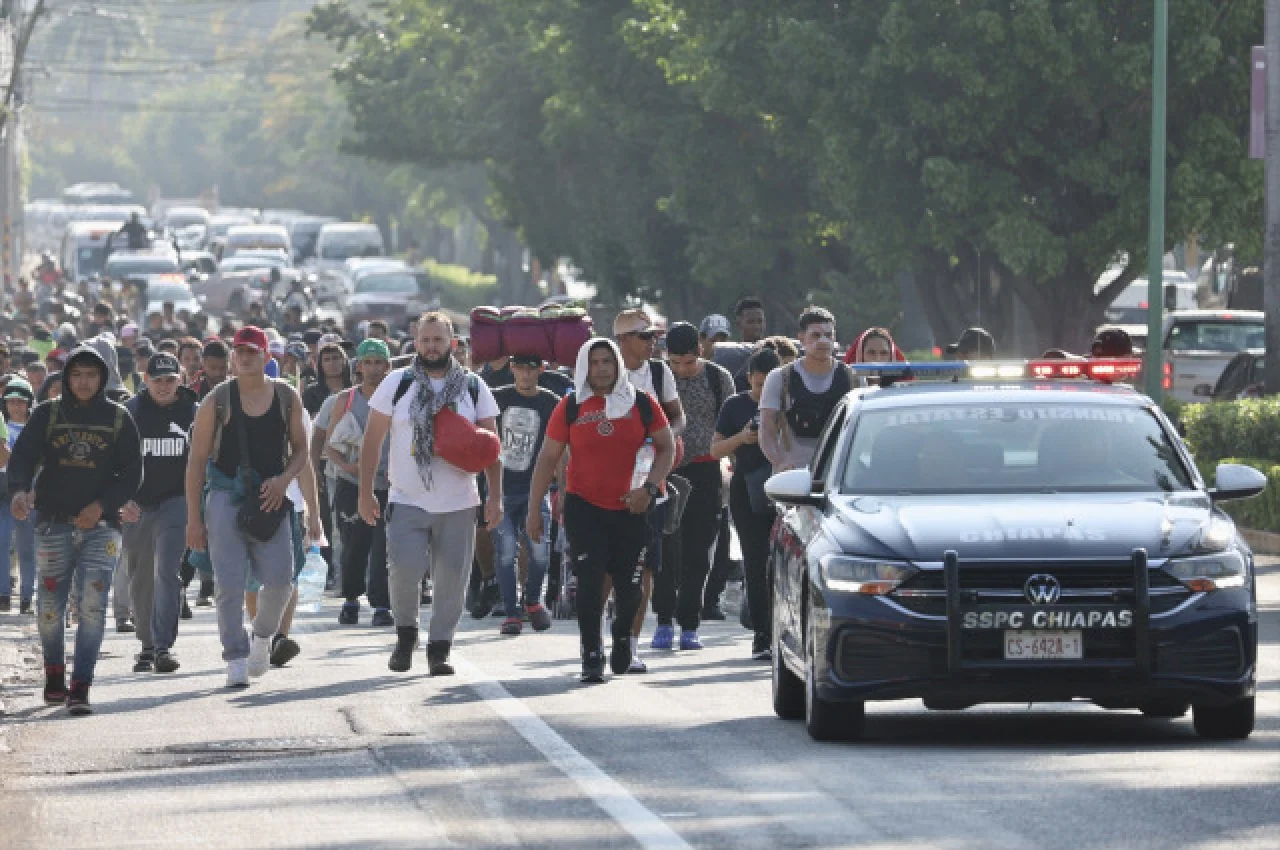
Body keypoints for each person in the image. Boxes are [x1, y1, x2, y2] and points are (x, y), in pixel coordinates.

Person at [359, 312, 502, 675]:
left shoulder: (472, 387)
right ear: (415, 342)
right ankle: (406, 635)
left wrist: (495, 496)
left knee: (452, 578)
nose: (432, 347)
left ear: (452, 343)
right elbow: (373, 441)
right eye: (426, 340)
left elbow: (492, 446)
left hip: (459, 501)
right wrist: (365, 492)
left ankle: (440, 648)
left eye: (439, 340)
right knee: (404, 571)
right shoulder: (397, 383)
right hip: (406, 497)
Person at [525, 338, 676, 682]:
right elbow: (547, 459)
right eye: (595, 362)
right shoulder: (571, 406)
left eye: (608, 361)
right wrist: (534, 512)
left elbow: (667, 447)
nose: (602, 368)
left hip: (633, 509)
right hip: (585, 508)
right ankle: (591, 651)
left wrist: (650, 489)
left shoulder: (641, 403)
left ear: (618, 365)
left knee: (630, 586)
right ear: (584, 367)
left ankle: (622, 636)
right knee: (590, 584)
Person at [9, 344, 143, 716]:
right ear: (66, 378)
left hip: (103, 530)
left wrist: (102, 506)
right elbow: (21, 459)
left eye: (91, 375)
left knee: (93, 607)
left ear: (102, 378)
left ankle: (81, 685)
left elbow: (133, 474)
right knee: (50, 608)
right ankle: (54, 672)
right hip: (52, 526)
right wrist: (20, 492)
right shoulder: (48, 415)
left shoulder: (118, 419)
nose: (84, 382)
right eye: (77, 375)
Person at [184, 326, 317, 688]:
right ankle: (236, 657)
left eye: (252, 352)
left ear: (266, 358)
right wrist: (194, 519)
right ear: (232, 358)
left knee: (281, 580)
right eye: (239, 351)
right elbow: (196, 461)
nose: (245, 357)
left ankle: (261, 637)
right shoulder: (217, 400)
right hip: (226, 495)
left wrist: (284, 481)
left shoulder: (287, 397)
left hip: (271, 497)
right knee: (228, 585)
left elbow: (302, 450)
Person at [651, 322, 735, 653]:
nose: (682, 371)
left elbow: (729, 425)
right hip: (665, 471)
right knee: (665, 550)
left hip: (706, 470)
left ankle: (690, 623)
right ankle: (662, 620)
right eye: (676, 364)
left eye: (688, 363)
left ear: (699, 352)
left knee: (699, 552)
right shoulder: (657, 378)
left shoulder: (718, 378)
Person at [612, 309, 685, 668]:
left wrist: (662, 439)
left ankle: (632, 644)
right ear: (623, 339)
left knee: (646, 567)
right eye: (644, 337)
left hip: (649, 480)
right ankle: (597, 640)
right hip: (605, 481)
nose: (651, 344)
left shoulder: (659, 372)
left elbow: (678, 416)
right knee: (607, 568)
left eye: (654, 337)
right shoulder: (602, 371)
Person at [121, 353, 198, 675]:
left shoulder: (193, 412)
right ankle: (147, 645)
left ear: (180, 380)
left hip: (176, 500)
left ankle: (164, 646)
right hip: (137, 503)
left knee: (168, 570)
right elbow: (113, 461)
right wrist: (122, 499)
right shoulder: (130, 413)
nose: (164, 387)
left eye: (170, 380)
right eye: (158, 381)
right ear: (146, 380)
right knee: (141, 576)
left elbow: (202, 460)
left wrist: (199, 507)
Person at [711, 347, 778, 661]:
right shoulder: (735, 405)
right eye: (758, 383)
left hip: (784, 487)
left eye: (770, 384)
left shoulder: (787, 404)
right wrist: (742, 438)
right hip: (746, 487)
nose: (763, 391)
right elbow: (715, 449)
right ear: (749, 378)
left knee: (782, 561)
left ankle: (783, 630)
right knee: (755, 561)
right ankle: (761, 634)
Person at [489, 354, 559, 636]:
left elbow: (561, 449)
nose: (526, 375)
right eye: (520, 369)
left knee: (540, 552)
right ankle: (511, 612)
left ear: (541, 369)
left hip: (536, 490)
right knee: (506, 554)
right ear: (512, 368)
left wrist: (563, 490)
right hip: (503, 490)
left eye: (532, 369)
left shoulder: (551, 402)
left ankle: (532, 600)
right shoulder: (497, 398)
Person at [325, 339, 394, 627]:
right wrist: (345, 465)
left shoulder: (397, 399)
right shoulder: (347, 400)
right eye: (368, 362)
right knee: (354, 545)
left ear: (388, 367)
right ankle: (351, 599)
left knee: (383, 546)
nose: (374, 369)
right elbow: (330, 444)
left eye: (379, 363)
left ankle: (381, 604)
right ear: (359, 366)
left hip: (387, 484)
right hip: (351, 482)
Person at [760, 306, 856, 472]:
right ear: (802, 338)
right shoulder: (780, 378)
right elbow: (766, 429)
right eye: (816, 335)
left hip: (838, 475)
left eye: (828, 335)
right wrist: (779, 461)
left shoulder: (851, 378)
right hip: (792, 474)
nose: (823, 341)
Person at [0, 379, 36, 615]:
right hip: (3, 491)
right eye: (11, 401)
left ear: (28, 403)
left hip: (28, 491)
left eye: (20, 401)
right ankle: (3, 594)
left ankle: (26, 596)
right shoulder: (2, 425)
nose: (15, 406)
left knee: (27, 548)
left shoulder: (36, 426)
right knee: (2, 543)